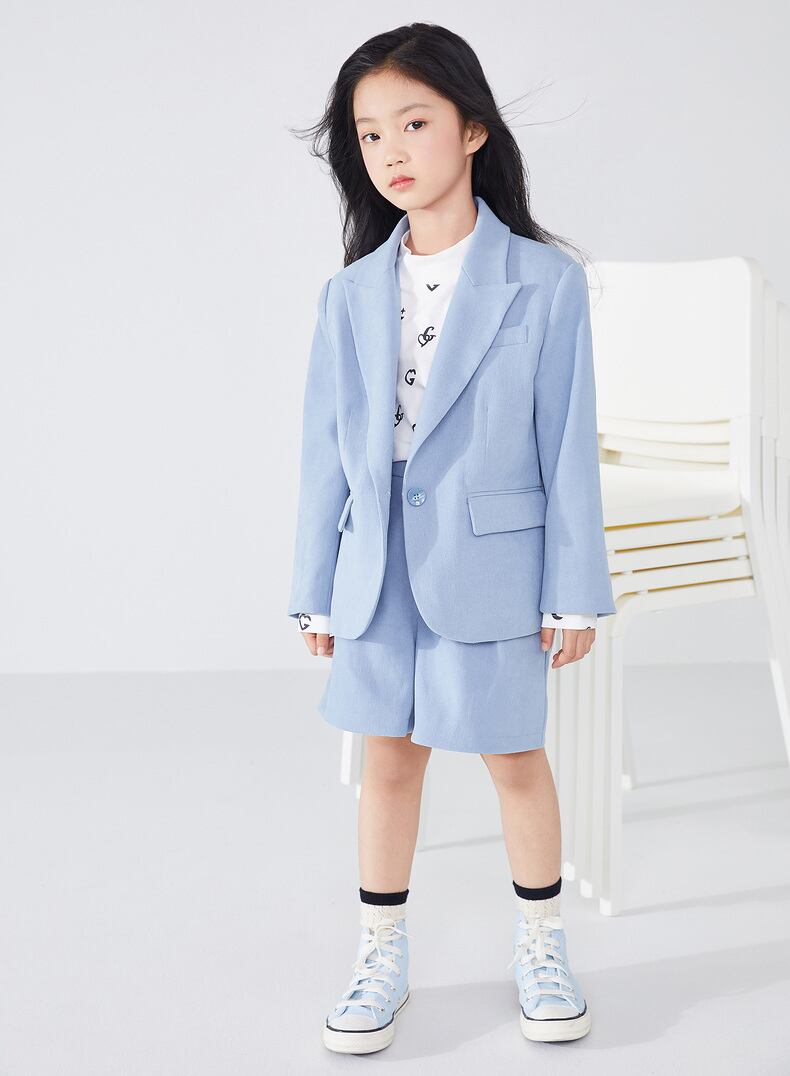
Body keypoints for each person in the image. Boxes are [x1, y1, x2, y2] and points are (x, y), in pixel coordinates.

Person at [286, 21, 616, 1055]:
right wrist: (314, 585)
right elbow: (324, 452)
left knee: (514, 754)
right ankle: (380, 953)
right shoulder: (348, 294)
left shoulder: (544, 282)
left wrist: (574, 588)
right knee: (387, 760)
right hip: (376, 561)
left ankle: (542, 944)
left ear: (472, 128)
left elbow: (566, 443)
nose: (390, 151)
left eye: (414, 123)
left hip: (494, 564)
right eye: (369, 133)